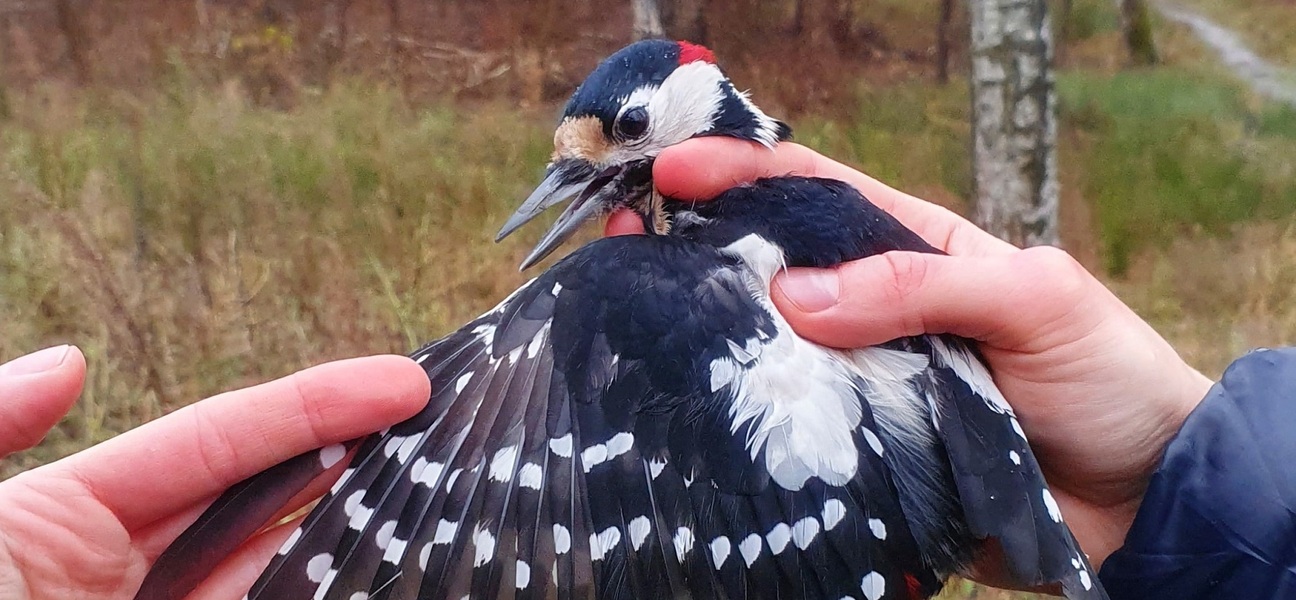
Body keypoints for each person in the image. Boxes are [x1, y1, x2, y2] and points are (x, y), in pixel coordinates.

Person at [0, 138, 1286, 599]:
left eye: (611, 147)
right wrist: (1178, 470)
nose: (582, 180)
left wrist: (1168, 463)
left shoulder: (660, 288)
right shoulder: (720, 270)